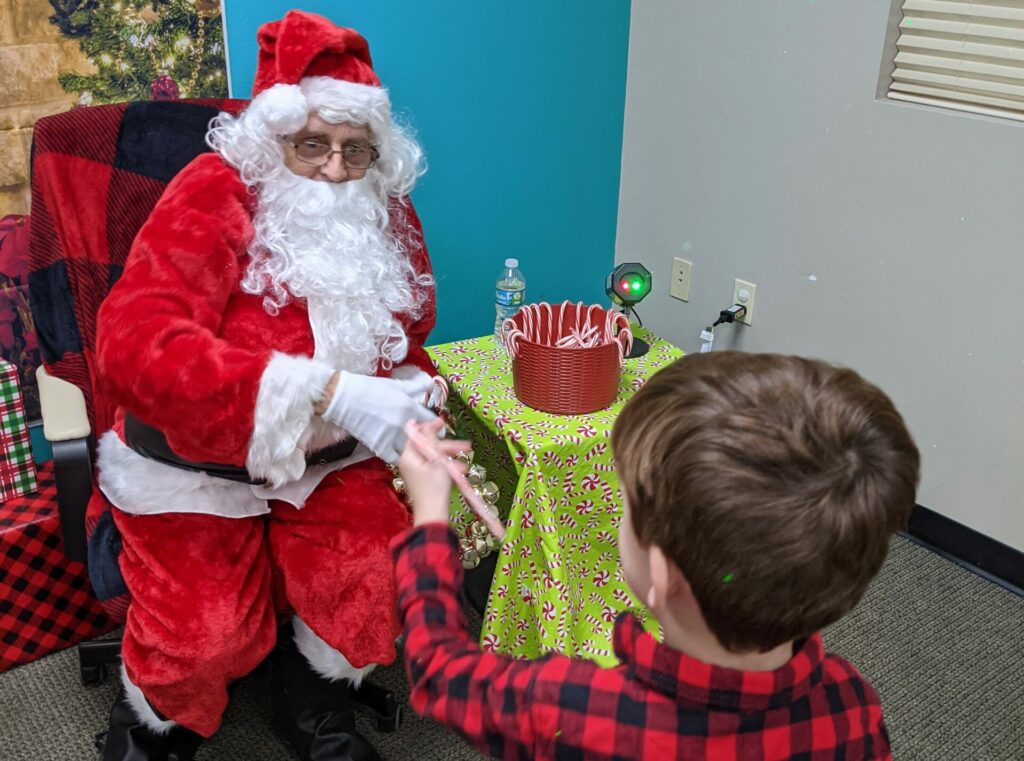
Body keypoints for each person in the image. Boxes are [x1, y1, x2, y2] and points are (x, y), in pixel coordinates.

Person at [92, 10, 441, 761]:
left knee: (376, 575)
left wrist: (413, 398)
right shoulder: (213, 192)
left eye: (356, 150)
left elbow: (409, 330)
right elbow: (133, 347)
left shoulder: (382, 205)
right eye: (312, 145)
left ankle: (312, 707)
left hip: (327, 462)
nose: (337, 170)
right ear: (272, 138)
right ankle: (155, 729)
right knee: (206, 632)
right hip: (193, 465)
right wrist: (326, 393)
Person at [394, 351, 920, 760]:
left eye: (623, 506)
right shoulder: (852, 703)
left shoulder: (575, 708)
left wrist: (431, 516)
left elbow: (439, 673)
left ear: (662, 574)